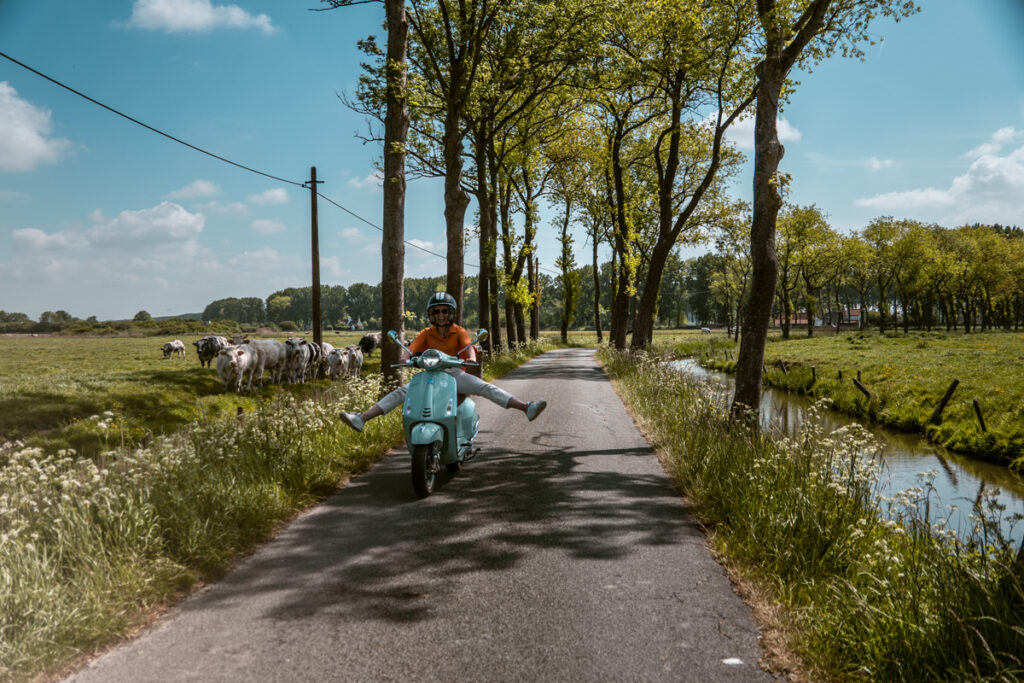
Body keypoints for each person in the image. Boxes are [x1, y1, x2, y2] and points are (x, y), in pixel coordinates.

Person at [339, 292, 546, 432]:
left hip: (455, 375)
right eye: (436, 311)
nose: (440, 315)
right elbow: (412, 348)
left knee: (486, 388)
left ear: (451, 313)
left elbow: (469, 347)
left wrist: (472, 359)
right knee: (402, 392)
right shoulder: (426, 332)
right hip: (429, 374)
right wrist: (405, 358)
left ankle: (526, 407)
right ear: (431, 314)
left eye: (444, 311)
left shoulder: (460, 331)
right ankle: (361, 418)